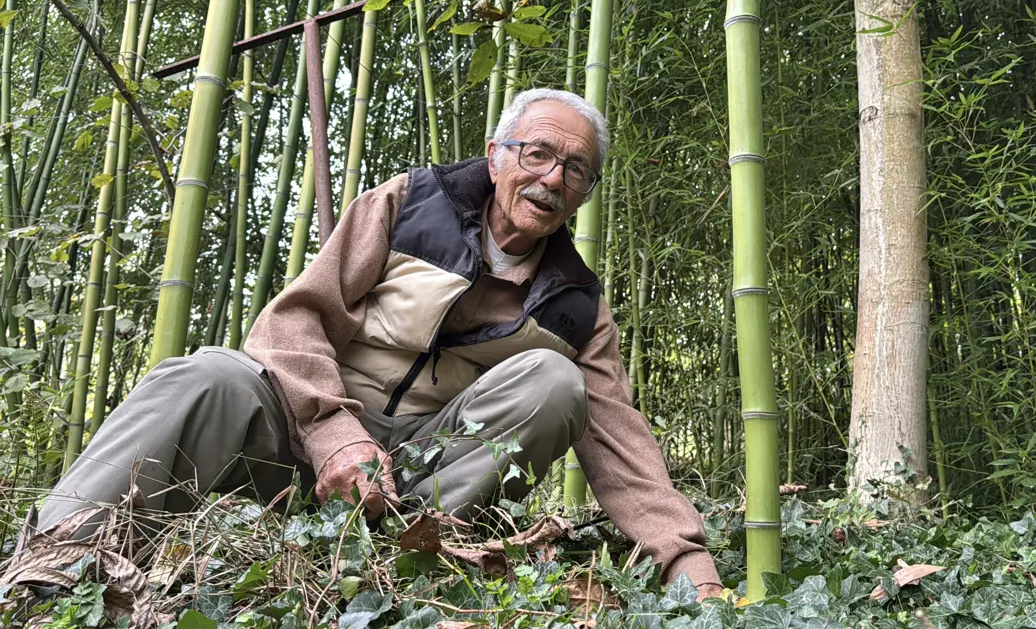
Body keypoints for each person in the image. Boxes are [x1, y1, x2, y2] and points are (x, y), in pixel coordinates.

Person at [37, 88, 722, 597]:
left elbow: (622, 446)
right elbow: (293, 320)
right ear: (495, 154)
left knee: (554, 381)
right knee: (207, 374)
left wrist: (695, 571)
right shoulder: (410, 203)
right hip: (306, 431)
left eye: (575, 169)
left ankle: (396, 568)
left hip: (419, 479)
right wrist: (333, 430)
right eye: (537, 153)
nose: (551, 178)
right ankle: (49, 562)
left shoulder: (578, 301)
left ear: (583, 194)